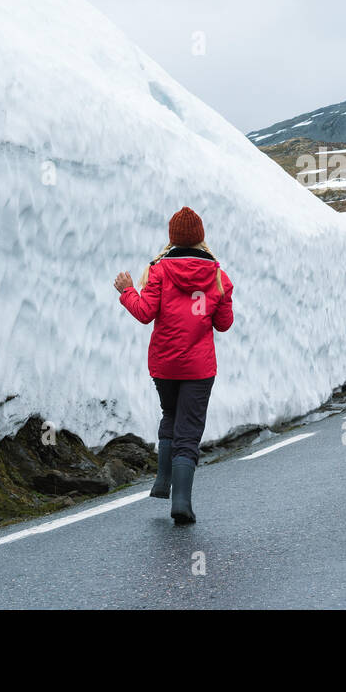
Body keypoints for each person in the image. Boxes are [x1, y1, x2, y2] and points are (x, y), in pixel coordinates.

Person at [114, 206, 233, 524]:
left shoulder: (158, 271)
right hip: (199, 368)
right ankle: (181, 502)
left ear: (173, 238)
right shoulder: (219, 277)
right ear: (200, 237)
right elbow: (223, 324)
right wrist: (221, 299)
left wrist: (127, 291)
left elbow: (144, 312)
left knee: (170, 414)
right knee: (189, 430)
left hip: (164, 364)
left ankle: (162, 481)